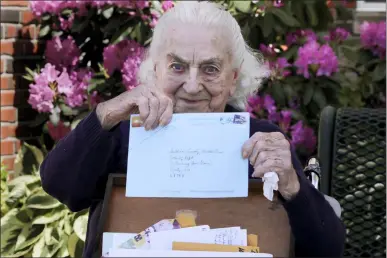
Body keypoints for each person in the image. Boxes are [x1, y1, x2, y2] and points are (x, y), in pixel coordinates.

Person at [40, 1, 346, 257]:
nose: (192, 85)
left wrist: (293, 188)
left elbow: (328, 250)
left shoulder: (261, 141)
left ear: (233, 78)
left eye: (211, 69)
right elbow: (59, 185)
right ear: (155, 69)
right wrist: (104, 115)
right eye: (177, 66)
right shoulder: (120, 134)